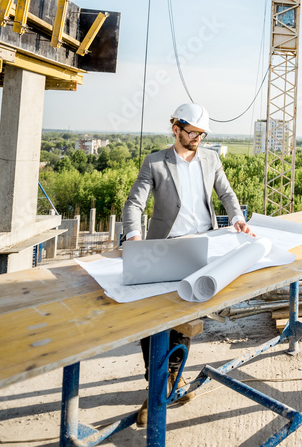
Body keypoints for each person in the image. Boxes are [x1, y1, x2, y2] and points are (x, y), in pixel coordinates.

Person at [121, 102, 252, 427]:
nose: (196, 138)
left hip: (201, 246)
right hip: (164, 247)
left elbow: (226, 192)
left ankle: (169, 385)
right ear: (176, 128)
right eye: (191, 132)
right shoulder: (155, 162)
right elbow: (134, 202)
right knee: (154, 319)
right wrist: (134, 236)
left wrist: (237, 218)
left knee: (184, 314)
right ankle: (165, 387)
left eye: (200, 133)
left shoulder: (211, 158)